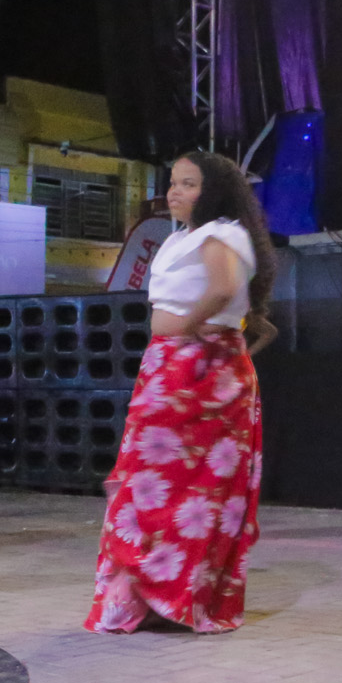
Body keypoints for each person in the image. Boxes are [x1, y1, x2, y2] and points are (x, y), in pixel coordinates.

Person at [87, 151, 273, 634]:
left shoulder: (222, 233)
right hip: (171, 362)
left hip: (202, 366)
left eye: (189, 184)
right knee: (150, 480)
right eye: (173, 183)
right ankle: (150, 595)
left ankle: (180, 594)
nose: (175, 192)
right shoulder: (179, 238)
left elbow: (224, 287)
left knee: (193, 487)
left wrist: (188, 330)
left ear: (212, 192)